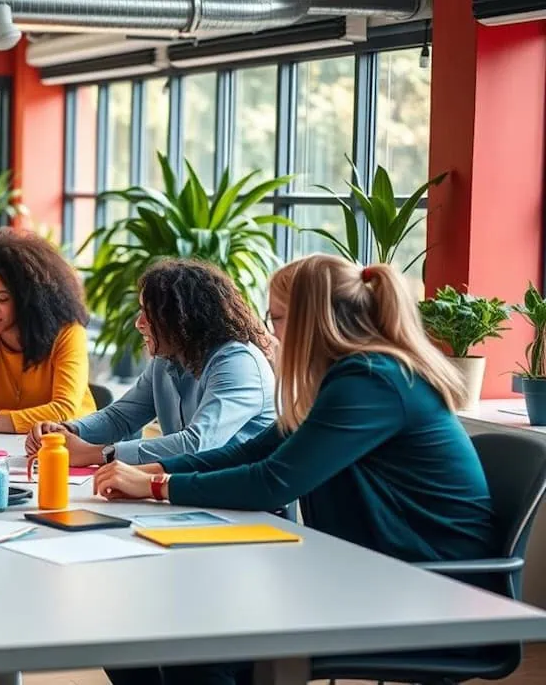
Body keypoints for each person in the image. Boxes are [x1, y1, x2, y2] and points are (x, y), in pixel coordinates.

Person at [93, 255, 497, 685]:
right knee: (149, 620)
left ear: (312, 320)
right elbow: (251, 453)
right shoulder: (345, 378)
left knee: (194, 636)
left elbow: (272, 482)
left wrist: (157, 486)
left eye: (279, 318)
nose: (269, 333)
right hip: (367, 570)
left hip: (428, 590)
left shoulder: (373, 380)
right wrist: (150, 472)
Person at [27, 259, 276, 467]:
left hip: (248, 510)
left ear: (183, 318)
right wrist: (67, 432)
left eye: (149, 313)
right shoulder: (169, 358)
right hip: (191, 491)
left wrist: (97, 454)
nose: (139, 323)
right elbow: (120, 418)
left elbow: (196, 445)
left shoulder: (237, 363)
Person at [0, 230, 96, 433]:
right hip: (7, 451)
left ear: (28, 300)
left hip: (72, 448)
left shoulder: (69, 334)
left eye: (2, 298)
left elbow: (64, 411)